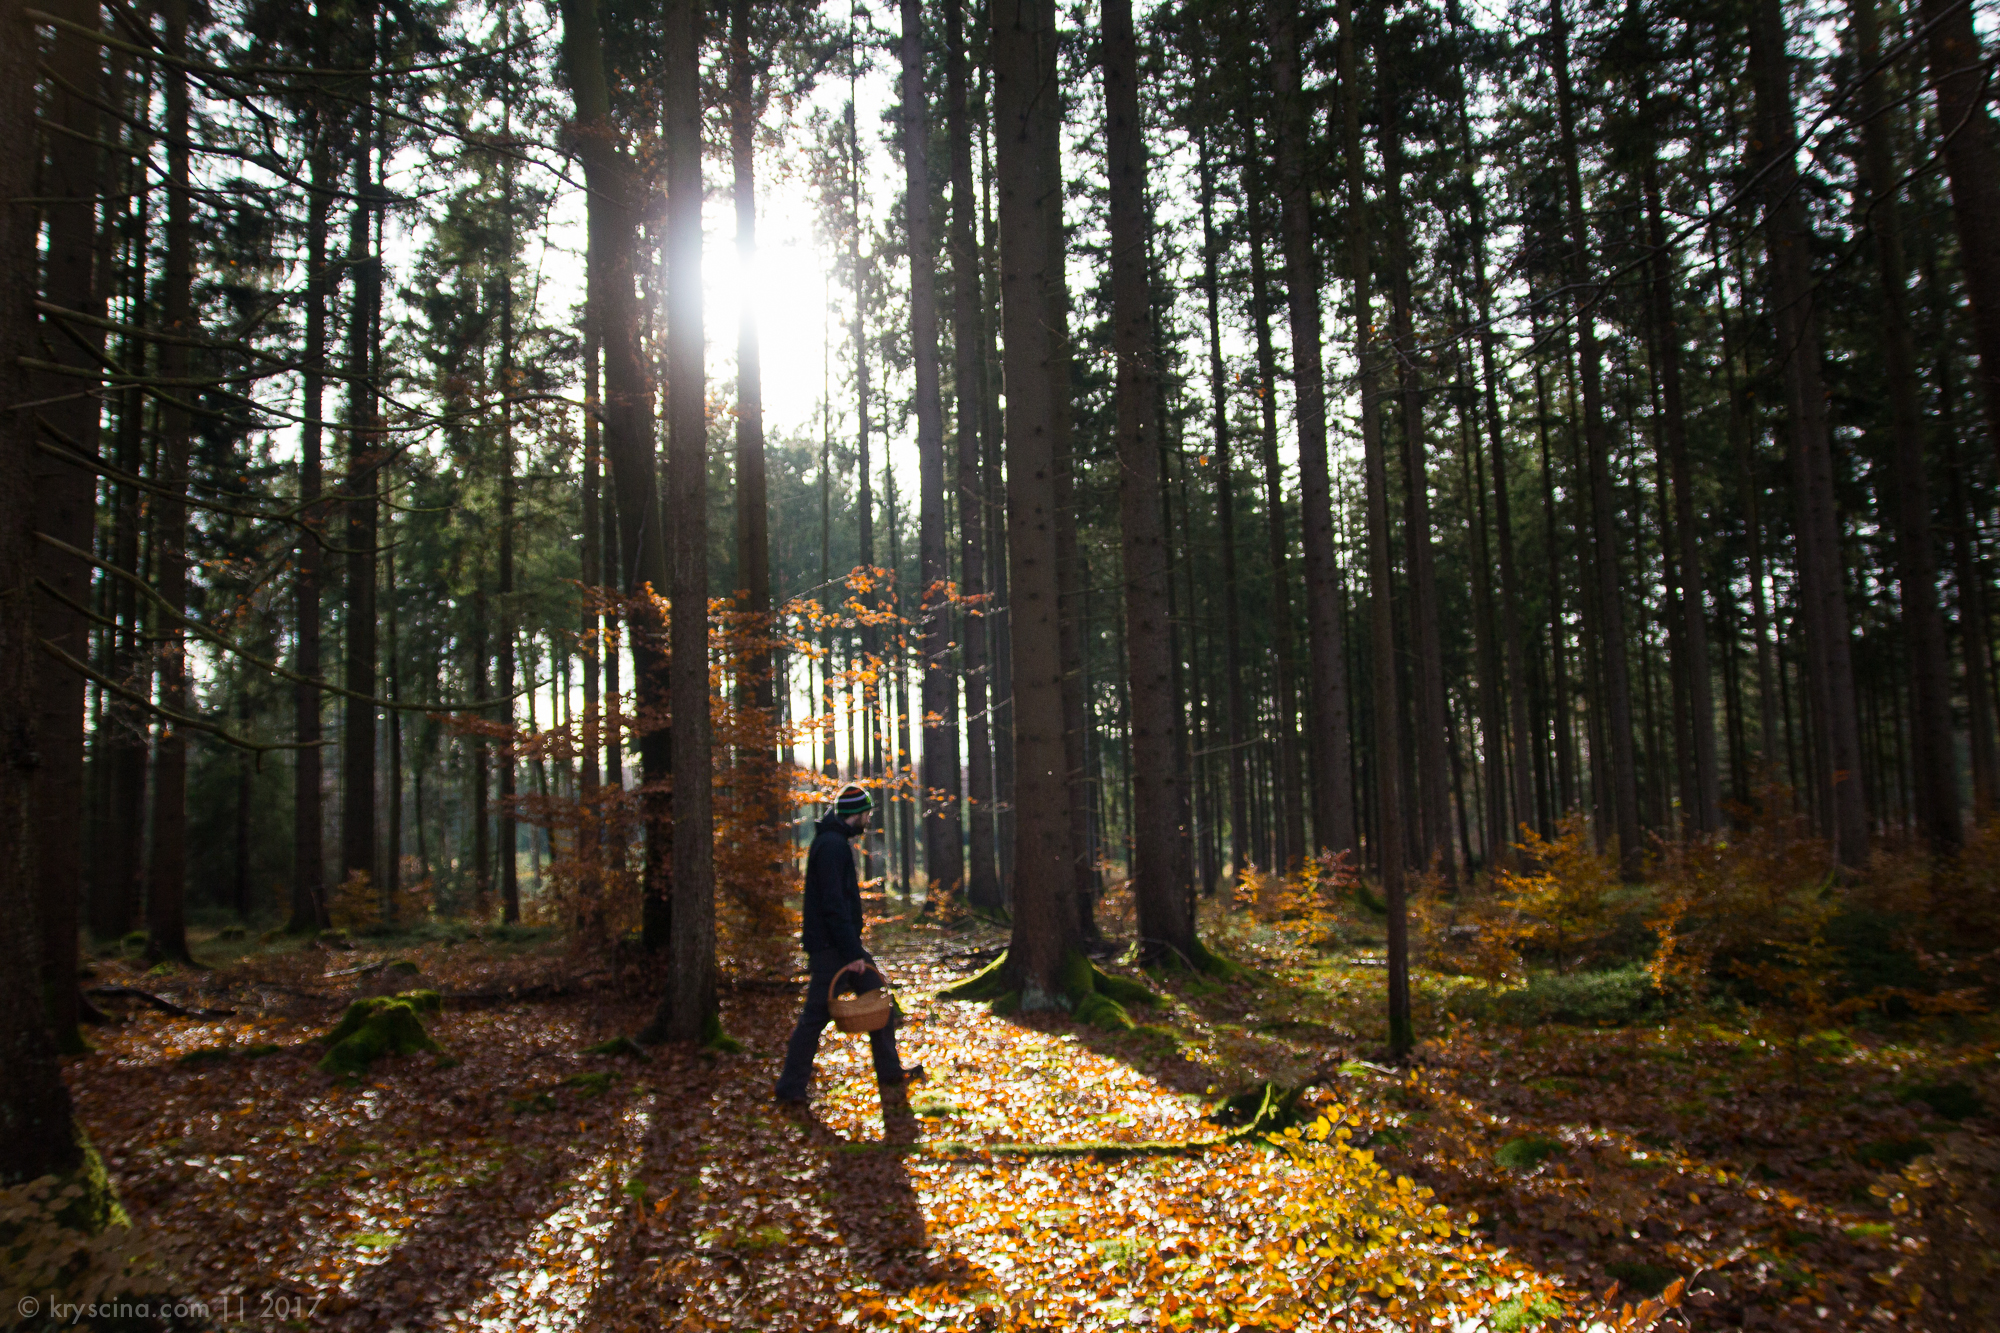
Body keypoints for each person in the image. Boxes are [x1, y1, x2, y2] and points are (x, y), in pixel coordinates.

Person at [773, 784, 924, 1105]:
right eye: (867, 813)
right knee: (814, 1017)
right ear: (856, 814)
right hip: (833, 950)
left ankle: (889, 1071)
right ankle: (789, 1088)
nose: (868, 818)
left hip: (838, 945)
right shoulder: (832, 846)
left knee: (878, 999)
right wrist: (852, 953)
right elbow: (833, 904)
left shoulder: (833, 841)